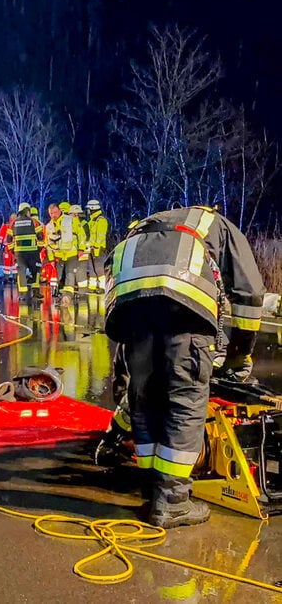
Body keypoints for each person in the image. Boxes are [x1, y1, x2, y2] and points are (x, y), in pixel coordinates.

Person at [105, 205, 265, 528]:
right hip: (182, 306)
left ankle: (152, 487)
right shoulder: (218, 225)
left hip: (128, 302)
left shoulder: (147, 228)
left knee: (145, 394)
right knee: (186, 397)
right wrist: (238, 357)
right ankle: (173, 500)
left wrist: (126, 383)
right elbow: (249, 295)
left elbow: (125, 349)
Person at [45, 202, 86, 300]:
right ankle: (57, 293)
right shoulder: (49, 226)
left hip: (71, 253)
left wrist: (81, 249)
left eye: (55, 212)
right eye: (51, 213)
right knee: (57, 276)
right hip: (58, 255)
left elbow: (81, 234)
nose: (53, 215)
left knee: (70, 274)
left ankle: (68, 296)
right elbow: (48, 245)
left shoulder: (71, 220)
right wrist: (51, 259)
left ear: (59, 211)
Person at [8, 203, 45, 299]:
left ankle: (23, 294)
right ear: (27, 211)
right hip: (33, 252)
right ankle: (36, 292)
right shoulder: (34, 221)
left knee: (21, 272)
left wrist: (13, 250)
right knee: (35, 271)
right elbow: (40, 236)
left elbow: (9, 238)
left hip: (19, 253)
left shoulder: (13, 223)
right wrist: (39, 249)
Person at [85, 200, 110, 292]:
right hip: (91, 248)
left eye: (88, 209)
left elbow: (100, 235)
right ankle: (92, 287)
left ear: (92, 208)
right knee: (92, 268)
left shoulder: (101, 220)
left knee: (99, 268)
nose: (87, 211)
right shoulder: (92, 221)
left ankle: (103, 287)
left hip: (98, 249)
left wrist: (95, 246)